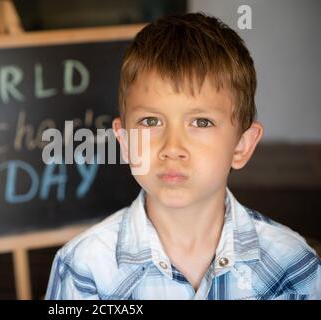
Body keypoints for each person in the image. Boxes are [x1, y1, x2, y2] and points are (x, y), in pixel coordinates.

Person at [45, 13, 320, 300]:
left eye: (201, 122)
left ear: (241, 146)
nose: (172, 147)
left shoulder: (293, 269)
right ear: (125, 142)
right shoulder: (85, 270)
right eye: (151, 121)